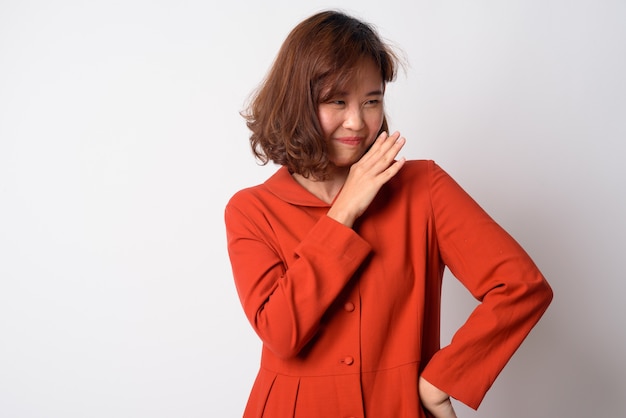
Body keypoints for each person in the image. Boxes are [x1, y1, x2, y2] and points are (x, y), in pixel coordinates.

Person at [224, 10, 552, 418]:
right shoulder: (252, 210)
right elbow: (281, 333)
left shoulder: (423, 188)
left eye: (372, 100)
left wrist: (441, 379)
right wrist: (343, 211)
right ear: (297, 102)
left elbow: (520, 286)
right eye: (337, 101)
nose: (357, 121)